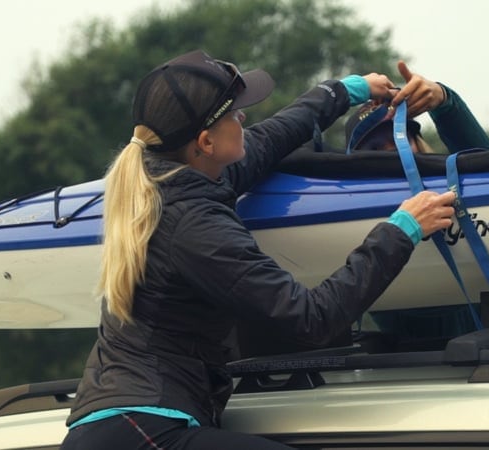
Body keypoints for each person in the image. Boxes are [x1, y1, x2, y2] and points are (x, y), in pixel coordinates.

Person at [60, 49, 456, 450]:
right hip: (144, 429)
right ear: (205, 142)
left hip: (123, 425)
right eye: (234, 113)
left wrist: (345, 91)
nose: (244, 118)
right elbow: (310, 318)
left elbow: (272, 136)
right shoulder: (196, 224)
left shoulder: (168, 185)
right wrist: (401, 231)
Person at [346, 61, 489, 154]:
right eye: (375, 149)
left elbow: (488, 170)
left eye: (401, 138)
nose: (393, 150)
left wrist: (445, 102)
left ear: (418, 143)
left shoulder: (448, 187)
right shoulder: (350, 205)